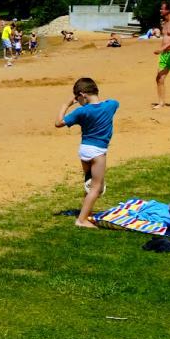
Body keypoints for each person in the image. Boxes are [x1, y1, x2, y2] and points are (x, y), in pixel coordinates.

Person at [55, 77, 119, 228]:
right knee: (96, 188)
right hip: (98, 152)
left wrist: (66, 105)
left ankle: (85, 213)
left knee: (90, 184)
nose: (78, 101)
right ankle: (81, 220)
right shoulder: (111, 105)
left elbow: (58, 123)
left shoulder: (81, 112)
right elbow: (114, 102)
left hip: (84, 150)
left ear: (83, 95)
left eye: (77, 98)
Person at [155, 2, 170, 109]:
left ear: (168, 10)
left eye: (162, 9)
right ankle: (161, 103)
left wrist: (162, 48)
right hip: (165, 54)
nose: (160, 11)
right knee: (159, 78)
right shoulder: (164, 23)